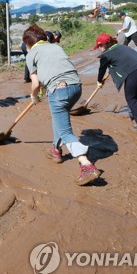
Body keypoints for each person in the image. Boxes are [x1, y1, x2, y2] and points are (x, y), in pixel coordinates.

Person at [23, 24, 101, 186]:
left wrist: (33, 96)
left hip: (58, 90)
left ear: (29, 43)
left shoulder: (31, 55)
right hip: (76, 87)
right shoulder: (55, 47)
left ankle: (86, 164)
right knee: (59, 120)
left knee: (66, 132)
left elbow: (36, 82)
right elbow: (55, 69)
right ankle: (56, 150)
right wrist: (44, 90)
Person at [93, 33, 137, 132]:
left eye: (100, 46)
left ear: (106, 44)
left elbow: (102, 70)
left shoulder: (106, 55)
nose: (99, 49)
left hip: (136, 71)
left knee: (130, 97)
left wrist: (99, 81)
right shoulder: (121, 46)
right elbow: (123, 60)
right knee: (132, 93)